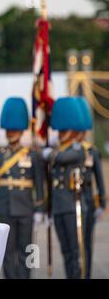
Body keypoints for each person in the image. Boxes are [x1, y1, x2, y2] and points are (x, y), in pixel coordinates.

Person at [0, 97, 44, 279]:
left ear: (21, 130)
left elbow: (39, 183)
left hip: (26, 207)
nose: (11, 132)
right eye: (9, 129)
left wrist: (40, 208)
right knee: (7, 251)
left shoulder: (33, 155)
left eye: (15, 129)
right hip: (4, 207)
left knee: (26, 250)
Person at [43, 97, 87, 279]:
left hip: (72, 207)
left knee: (75, 253)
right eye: (59, 130)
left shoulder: (77, 149)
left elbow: (61, 158)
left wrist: (50, 153)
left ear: (71, 131)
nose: (60, 133)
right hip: (59, 208)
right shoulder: (59, 148)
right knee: (65, 252)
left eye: (63, 130)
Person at [75, 97, 106, 279]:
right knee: (74, 246)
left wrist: (102, 202)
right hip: (73, 199)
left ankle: (86, 275)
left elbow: (99, 179)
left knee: (87, 243)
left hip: (87, 199)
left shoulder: (91, 151)